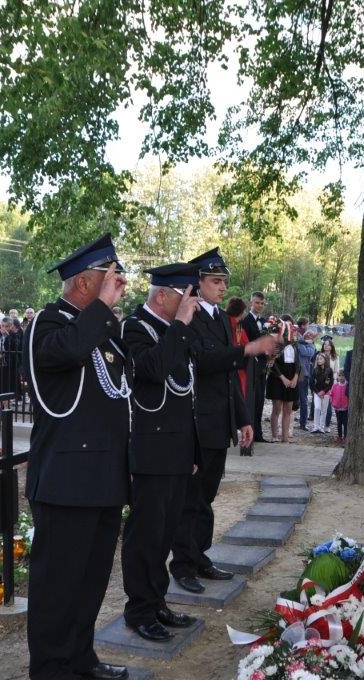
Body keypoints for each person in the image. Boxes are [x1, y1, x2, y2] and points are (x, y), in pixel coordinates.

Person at [23, 232, 130, 680]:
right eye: (111, 274)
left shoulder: (101, 327)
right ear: (84, 282)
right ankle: (51, 670)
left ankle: (81, 660)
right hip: (66, 481)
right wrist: (103, 310)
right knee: (58, 586)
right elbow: (65, 352)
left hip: (104, 477)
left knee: (89, 582)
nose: (121, 282)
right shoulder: (48, 324)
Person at [169, 247, 276, 595]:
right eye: (215, 281)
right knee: (192, 499)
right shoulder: (191, 315)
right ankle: (183, 565)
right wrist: (247, 349)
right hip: (197, 422)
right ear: (198, 282)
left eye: (223, 281)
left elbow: (230, 376)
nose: (222, 287)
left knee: (207, 496)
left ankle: (199, 556)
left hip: (218, 422)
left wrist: (243, 419)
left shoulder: (219, 317)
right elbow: (204, 361)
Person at [120, 263, 203, 644]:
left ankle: (156, 602)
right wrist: (180, 326)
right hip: (151, 449)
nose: (193, 304)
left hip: (177, 449)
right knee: (146, 535)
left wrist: (193, 450)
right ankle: (139, 610)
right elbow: (152, 370)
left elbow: (187, 395)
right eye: (188, 296)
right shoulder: (135, 328)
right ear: (163, 296)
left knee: (166, 532)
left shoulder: (175, 329)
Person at [225, 297, 256, 456]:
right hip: (238, 372)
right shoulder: (237, 327)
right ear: (242, 312)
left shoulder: (225, 323)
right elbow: (246, 347)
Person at [240, 291, 268, 443]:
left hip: (263, 366)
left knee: (260, 400)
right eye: (257, 302)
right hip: (250, 365)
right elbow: (244, 343)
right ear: (251, 302)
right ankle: (249, 433)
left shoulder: (265, 322)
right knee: (251, 399)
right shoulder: (246, 321)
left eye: (262, 303)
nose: (260, 306)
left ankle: (258, 433)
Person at [266, 321, 299, 442]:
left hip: (292, 376)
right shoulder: (276, 344)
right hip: (277, 378)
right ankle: (274, 436)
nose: (293, 334)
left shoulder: (295, 345)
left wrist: (295, 377)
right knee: (277, 408)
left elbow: (298, 363)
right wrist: (282, 378)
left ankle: (285, 438)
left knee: (288, 410)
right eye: (291, 331)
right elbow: (272, 363)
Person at [316, 336, 339, 430]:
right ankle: (317, 425)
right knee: (318, 404)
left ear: (331, 346)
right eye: (325, 344)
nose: (326, 346)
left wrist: (333, 380)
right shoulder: (319, 355)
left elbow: (336, 370)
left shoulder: (335, 357)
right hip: (320, 382)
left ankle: (327, 425)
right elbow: (316, 369)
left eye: (328, 345)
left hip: (330, 382)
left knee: (328, 404)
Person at [295, 325, 316, 430]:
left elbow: (305, 352)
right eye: (307, 333)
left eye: (311, 335)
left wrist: (300, 343)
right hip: (292, 373)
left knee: (303, 399)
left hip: (303, 375)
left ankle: (303, 423)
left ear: (313, 338)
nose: (308, 335)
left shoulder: (312, 346)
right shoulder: (299, 341)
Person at [309, 352, 334, 434]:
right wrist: (317, 392)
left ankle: (321, 427)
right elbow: (311, 382)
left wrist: (324, 391)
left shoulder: (329, 370)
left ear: (325, 360)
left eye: (321, 359)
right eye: (318, 359)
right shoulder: (315, 370)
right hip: (317, 393)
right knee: (317, 408)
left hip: (325, 393)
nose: (319, 360)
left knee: (324, 410)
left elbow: (330, 383)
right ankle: (315, 426)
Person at [330, 369, 349, 444]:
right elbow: (331, 394)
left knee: (345, 422)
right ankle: (340, 436)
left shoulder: (348, 385)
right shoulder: (335, 386)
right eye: (339, 375)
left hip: (345, 407)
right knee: (339, 422)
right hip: (337, 407)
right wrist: (332, 402)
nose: (341, 377)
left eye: (343, 375)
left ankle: (345, 437)